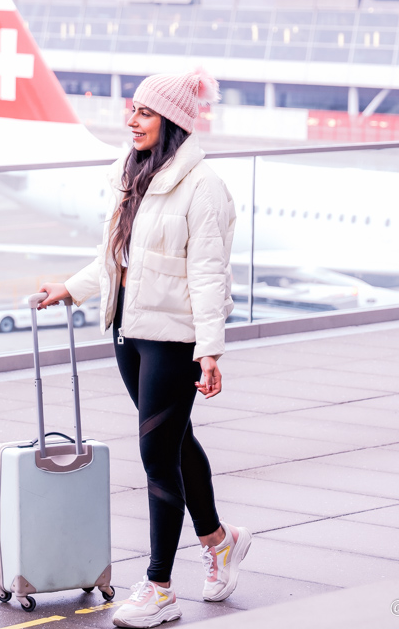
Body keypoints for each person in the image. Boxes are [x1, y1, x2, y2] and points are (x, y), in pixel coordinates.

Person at [38, 68, 250, 628]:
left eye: (145, 112)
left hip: (173, 338)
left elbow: (209, 274)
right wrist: (74, 288)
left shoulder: (204, 188)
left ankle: (159, 586)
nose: (132, 120)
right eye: (131, 109)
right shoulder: (129, 172)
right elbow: (118, 253)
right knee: (175, 442)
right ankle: (219, 541)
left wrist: (210, 349)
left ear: (174, 121)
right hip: (128, 330)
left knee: (156, 454)